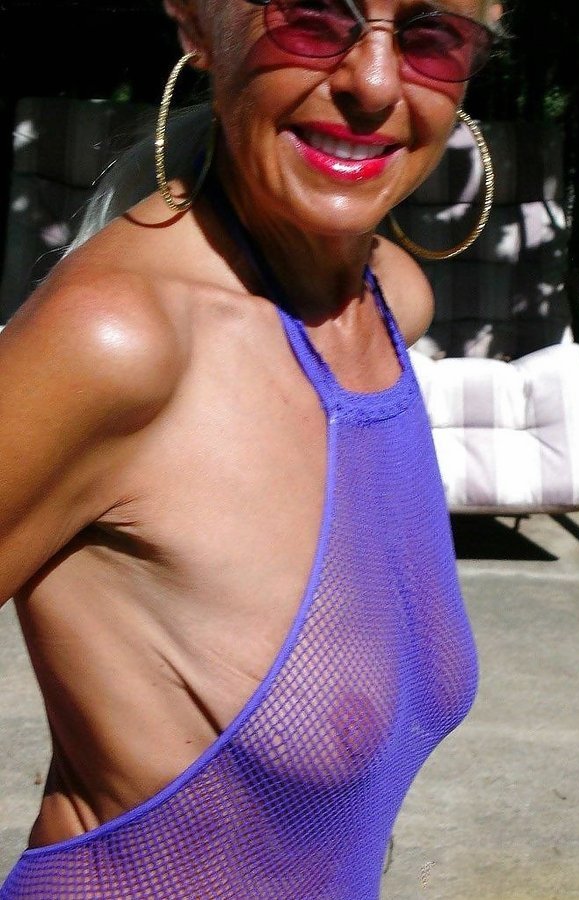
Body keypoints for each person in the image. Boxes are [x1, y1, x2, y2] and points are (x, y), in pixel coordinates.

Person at [0, 0, 502, 895]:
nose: (373, 82)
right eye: (310, 18)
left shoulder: (388, 301)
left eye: (431, 37)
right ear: (199, 27)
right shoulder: (118, 345)